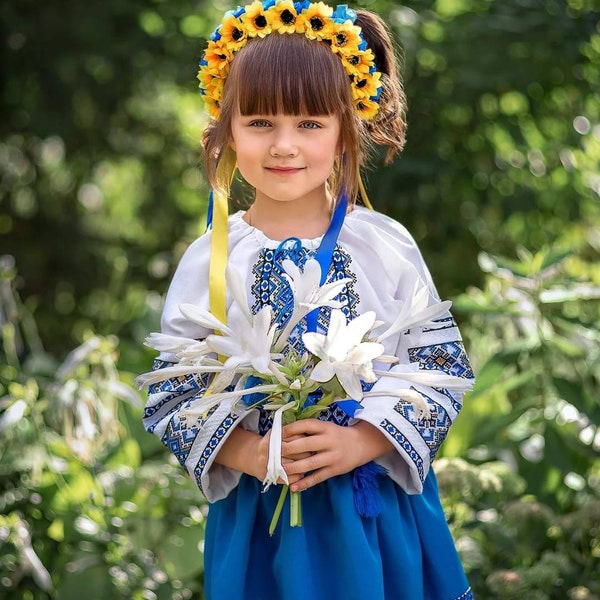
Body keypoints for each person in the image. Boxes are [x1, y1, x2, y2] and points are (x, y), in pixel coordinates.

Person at [142, 1, 475, 599]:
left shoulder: (383, 244)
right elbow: (174, 390)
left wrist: (363, 440)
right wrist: (250, 452)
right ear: (225, 128)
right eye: (261, 123)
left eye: (311, 124)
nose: (284, 146)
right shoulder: (212, 258)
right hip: (261, 520)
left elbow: (440, 368)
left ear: (347, 128)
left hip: (376, 513)